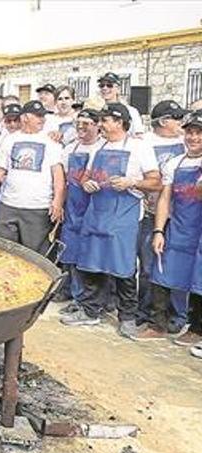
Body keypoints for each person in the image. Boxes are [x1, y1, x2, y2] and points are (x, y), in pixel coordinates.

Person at [60, 103, 161, 336]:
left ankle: (127, 316)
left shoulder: (139, 147)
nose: (101, 125)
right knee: (92, 262)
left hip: (123, 216)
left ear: (120, 122)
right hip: (96, 213)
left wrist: (131, 182)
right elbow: (86, 176)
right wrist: (87, 183)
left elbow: (156, 182)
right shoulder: (99, 147)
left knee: (123, 267)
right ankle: (90, 311)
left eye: (105, 120)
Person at [0, 101, 65, 255]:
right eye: (37, 116)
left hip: (38, 207)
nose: (42, 119)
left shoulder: (50, 142)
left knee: (34, 255)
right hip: (8, 205)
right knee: (3, 251)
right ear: (25, 118)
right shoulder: (10, 140)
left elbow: (58, 175)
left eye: (43, 116)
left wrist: (57, 201)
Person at [143, 112, 202, 343]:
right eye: (190, 132)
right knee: (162, 272)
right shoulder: (173, 163)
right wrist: (159, 231)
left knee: (199, 279)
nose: (194, 137)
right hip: (179, 228)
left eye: (199, 133)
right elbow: (165, 199)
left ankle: (196, 329)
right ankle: (157, 325)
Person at [136, 100, 190, 333]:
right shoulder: (143, 142)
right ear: (164, 121)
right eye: (177, 119)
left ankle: (178, 314)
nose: (182, 124)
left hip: (182, 216)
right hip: (151, 213)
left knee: (179, 266)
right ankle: (146, 311)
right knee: (149, 267)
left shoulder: (187, 142)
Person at [57, 108, 105, 310]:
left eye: (86, 124)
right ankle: (75, 295)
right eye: (78, 124)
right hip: (74, 208)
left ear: (97, 126)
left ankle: (98, 301)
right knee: (71, 252)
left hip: (96, 208)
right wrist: (60, 204)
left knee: (93, 255)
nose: (81, 128)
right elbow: (64, 180)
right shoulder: (70, 149)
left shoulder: (104, 148)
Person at [0, 103, 23, 221]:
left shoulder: (31, 136)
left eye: (16, 120)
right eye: (8, 121)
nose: (12, 124)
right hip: (1, 184)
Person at [97, 72, 144, 136]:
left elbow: (139, 135)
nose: (105, 88)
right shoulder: (98, 110)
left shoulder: (131, 111)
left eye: (109, 85)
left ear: (118, 89)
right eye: (102, 85)